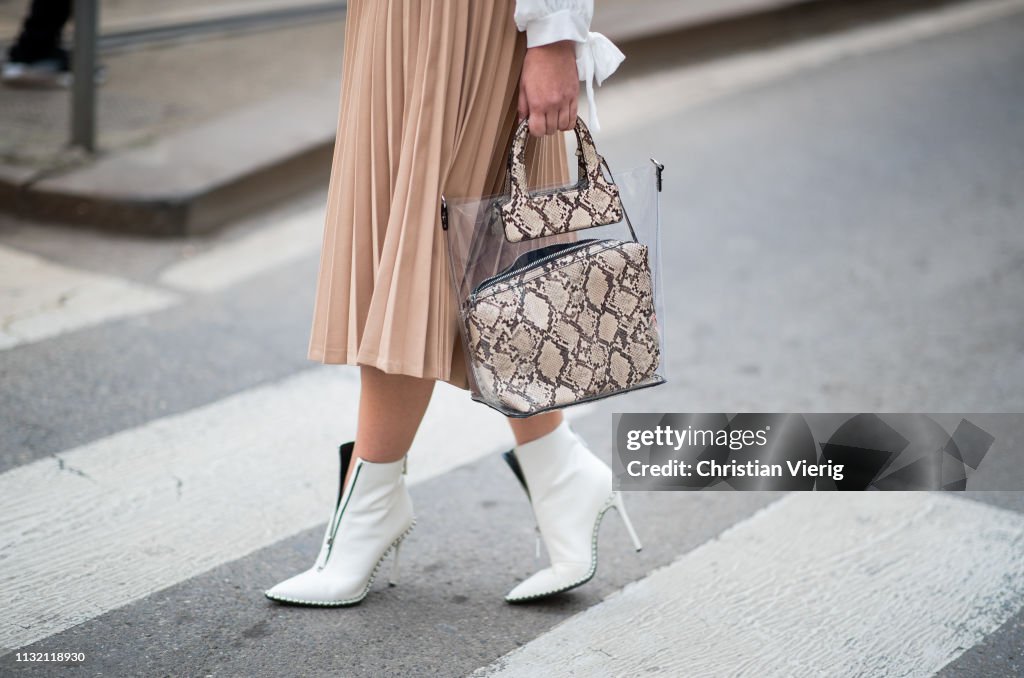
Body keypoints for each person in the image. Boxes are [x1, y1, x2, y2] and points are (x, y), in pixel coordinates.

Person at [264, 0, 638, 607]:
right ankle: (559, 471)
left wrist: (553, 37)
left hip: (470, 24)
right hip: (391, 22)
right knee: (441, 245)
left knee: (419, 257)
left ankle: (372, 506)